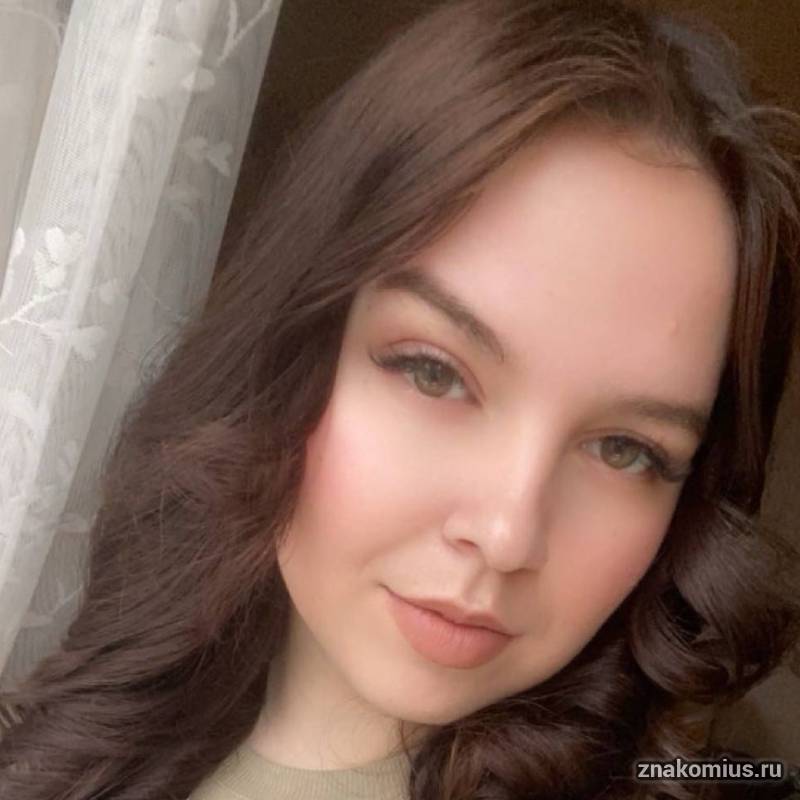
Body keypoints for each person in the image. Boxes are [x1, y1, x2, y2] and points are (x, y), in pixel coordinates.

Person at [1, 0, 799, 798]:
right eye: (434, 373)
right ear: (292, 346)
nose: (506, 535)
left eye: (626, 450)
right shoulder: (86, 739)